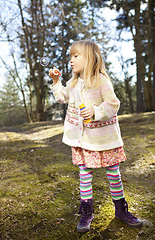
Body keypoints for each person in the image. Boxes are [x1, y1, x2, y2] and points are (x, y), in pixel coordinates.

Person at [49, 40, 143, 233]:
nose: (71, 61)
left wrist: (95, 111)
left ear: (90, 58)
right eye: (70, 57)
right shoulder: (73, 83)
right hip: (83, 140)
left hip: (104, 138)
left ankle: (120, 210)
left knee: (113, 175)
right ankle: (87, 211)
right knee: (84, 175)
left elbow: (113, 104)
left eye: (76, 56)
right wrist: (56, 82)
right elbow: (61, 97)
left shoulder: (101, 81)